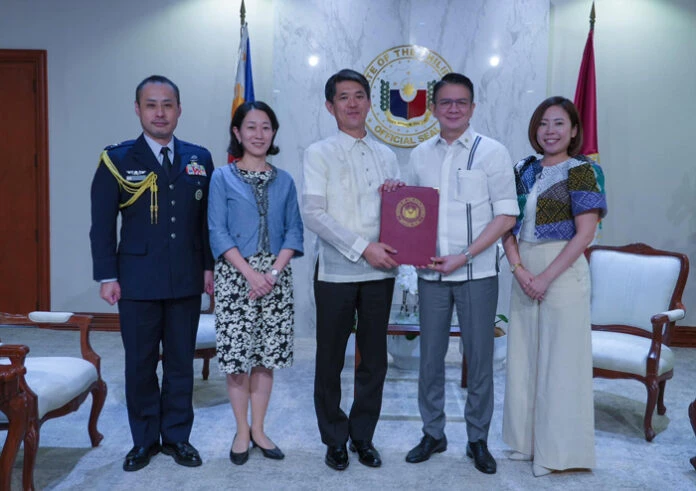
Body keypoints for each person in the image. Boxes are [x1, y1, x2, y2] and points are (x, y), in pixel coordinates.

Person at [90, 75, 214, 471]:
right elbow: (102, 224)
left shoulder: (199, 158)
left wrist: (209, 268)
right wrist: (107, 275)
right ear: (138, 109)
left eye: (167, 104)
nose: (160, 113)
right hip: (137, 280)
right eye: (151, 105)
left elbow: (205, 224)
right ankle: (144, 439)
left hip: (186, 278)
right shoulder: (118, 159)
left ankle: (177, 437)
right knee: (141, 364)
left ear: (179, 109)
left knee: (180, 362)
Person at [404, 73, 518, 475]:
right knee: (429, 361)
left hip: (478, 274)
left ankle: (477, 440)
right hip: (431, 275)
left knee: (480, 361)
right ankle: (433, 434)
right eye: (445, 102)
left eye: (461, 102)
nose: (453, 109)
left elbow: (505, 216)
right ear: (432, 108)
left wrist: (464, 256)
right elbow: (411, 212)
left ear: (472, 107)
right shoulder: (419, 154)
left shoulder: (493, 152)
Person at [302, 68, 403, 471]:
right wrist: (364, 248)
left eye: (359, 95)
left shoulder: (387, 155)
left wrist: (397, 203)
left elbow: (402, 215)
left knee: (374, 360)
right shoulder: (318, 152)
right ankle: (334, 438)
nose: (352, 103)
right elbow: (313, 213)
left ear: (369, 103)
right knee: (329, 359)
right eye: (344, 97)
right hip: (336, 273)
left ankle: (363, 437)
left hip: (381, 274)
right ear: (331, 106)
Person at [501, 96, 607, 477]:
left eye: (559, 123)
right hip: (523, 268)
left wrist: (545, 277)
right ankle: (525, 443)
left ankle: (557, 454)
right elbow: (506, 225)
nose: (550, 131)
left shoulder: (582, 171)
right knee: (524, 359)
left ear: (574, 130)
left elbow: (586, 233)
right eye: (544, 123)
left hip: (562, 270)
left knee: (560, 365)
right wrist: (519, 270)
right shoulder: (523, 168)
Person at [207, 101, 304, 465]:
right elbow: (217, 230)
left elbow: (294, 230)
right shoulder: (221, 177)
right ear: (237, 133)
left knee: (265, 358)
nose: (259, 134)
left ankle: (259, 429)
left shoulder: (286, 180)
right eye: (251, 127)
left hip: (277, 279)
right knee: (237, 361)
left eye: (266, 127)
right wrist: (250, 274)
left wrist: (273, 273)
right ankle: (241, 430)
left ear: (273, 133)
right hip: (236, 278)